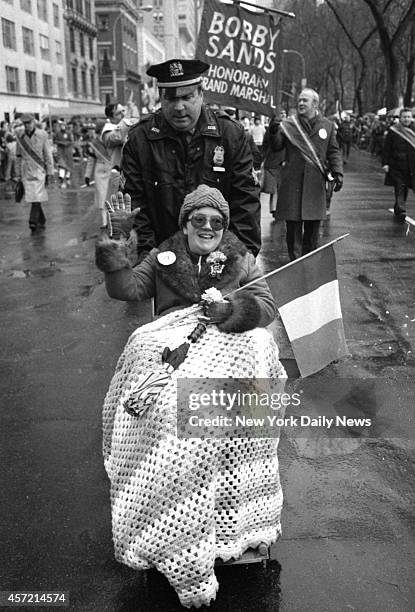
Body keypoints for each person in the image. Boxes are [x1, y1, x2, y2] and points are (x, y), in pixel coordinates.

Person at [95, 184, 285, 609]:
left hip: (224, 350)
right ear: (185, 224)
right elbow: (125, 290)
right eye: (198, 219)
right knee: (164, 416)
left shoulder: (241, 257)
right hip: (170, 348)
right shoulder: (162, 258)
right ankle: (167, 512)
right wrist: (118, 251)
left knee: (230, 405)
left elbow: (266, 307)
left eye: (216, 221)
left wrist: (232, 311)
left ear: (225, 227)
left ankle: (226, 514)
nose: (208, 227)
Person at [121, 58, 261, 261]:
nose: (179, 107)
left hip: (220, 260)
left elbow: (246, 204)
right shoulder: (139, 139)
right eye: (171, 98)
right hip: (162, 262)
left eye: (187, 97)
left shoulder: (231, 134)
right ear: (160, 98)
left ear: (201, 95)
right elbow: (135, 208)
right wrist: (149, 260)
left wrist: (236, 260)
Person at [268, 88, 343, 260]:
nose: (300, 103)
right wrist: (273, 131)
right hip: (292, 183)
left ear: (315, 104)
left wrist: (338, 172)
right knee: (293, 232)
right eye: (300, 100)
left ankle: (309, 266)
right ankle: (295, 265)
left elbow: (333, 151)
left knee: (312, 233)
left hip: (315, 185)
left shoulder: (327, 125)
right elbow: (277, 146)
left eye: (305, 101)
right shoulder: (289, 124)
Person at [382, 107, 415, 222]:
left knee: (405, 186)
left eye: (408, 117)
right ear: (400, 118)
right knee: (399, 185)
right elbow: (386, 148)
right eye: (404, 117)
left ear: (411, 118)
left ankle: (399, 206)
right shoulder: (393, 130)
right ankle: (401, 208)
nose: (406, 119)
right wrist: (385, 163)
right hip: (396, 164)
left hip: (412, 165)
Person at [99, 103, 137, 228]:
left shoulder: (124, 126)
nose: (123, 114)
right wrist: (126, 121)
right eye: (119, 113)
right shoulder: (108, 129)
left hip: (131, 171)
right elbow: (117, 137)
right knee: (116, 205)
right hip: (117, 172)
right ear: (110, 117)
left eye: (123, 111)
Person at [15, 114, 54, 233]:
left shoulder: (42, 135)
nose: (27, 125)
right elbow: (18, 156)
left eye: (29, 123)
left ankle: (32, 220)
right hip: (26, 170)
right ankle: (41, 219)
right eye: (25, 123)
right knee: (33, 196)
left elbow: (48, 154)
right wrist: (17, 174)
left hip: (39, 170)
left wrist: (50, 172)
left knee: (36, 195)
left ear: (33, 122)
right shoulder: (20, 136)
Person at [84, 120, 118, 228]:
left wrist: (87, 176)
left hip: (105, 170)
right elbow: (91, 160)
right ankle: (106, 221)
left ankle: (108, 221)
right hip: (105, 169)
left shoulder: (106, 142)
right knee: (105, 196)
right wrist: (87, 175)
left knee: (107, 196)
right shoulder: (100, 142)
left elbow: (91, 160)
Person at [53, 122, 74, 188]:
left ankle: (67, 177)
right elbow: (55, 141)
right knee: (62, 164)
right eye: (61, 126)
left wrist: (67, 143)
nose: (62, 127)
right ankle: (61, 177)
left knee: (68, 164)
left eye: (63, 126)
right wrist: (60, 143)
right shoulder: (57, 134)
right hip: (60, 151)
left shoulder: (69, 133)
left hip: (68, 151)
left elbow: (71, 141)